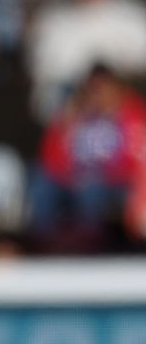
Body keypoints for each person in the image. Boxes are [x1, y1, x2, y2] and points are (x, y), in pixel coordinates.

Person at [27, 0, 146, 122]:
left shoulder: (135, 20)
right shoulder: (53, 21)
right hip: (70, 126)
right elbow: (44, 87)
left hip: (129, 128)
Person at [30, 64, 146, 252]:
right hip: (75, 176)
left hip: (115, 180)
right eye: (93, 88)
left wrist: (100, 173)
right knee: (42, 181)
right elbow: (51, 156)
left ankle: (91, 248)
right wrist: (66, 123)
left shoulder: (133, 114)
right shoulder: (74, 114)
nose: (98, 94)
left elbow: (137, 158)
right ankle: (42, 245)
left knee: (91, 190)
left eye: (103, 87)